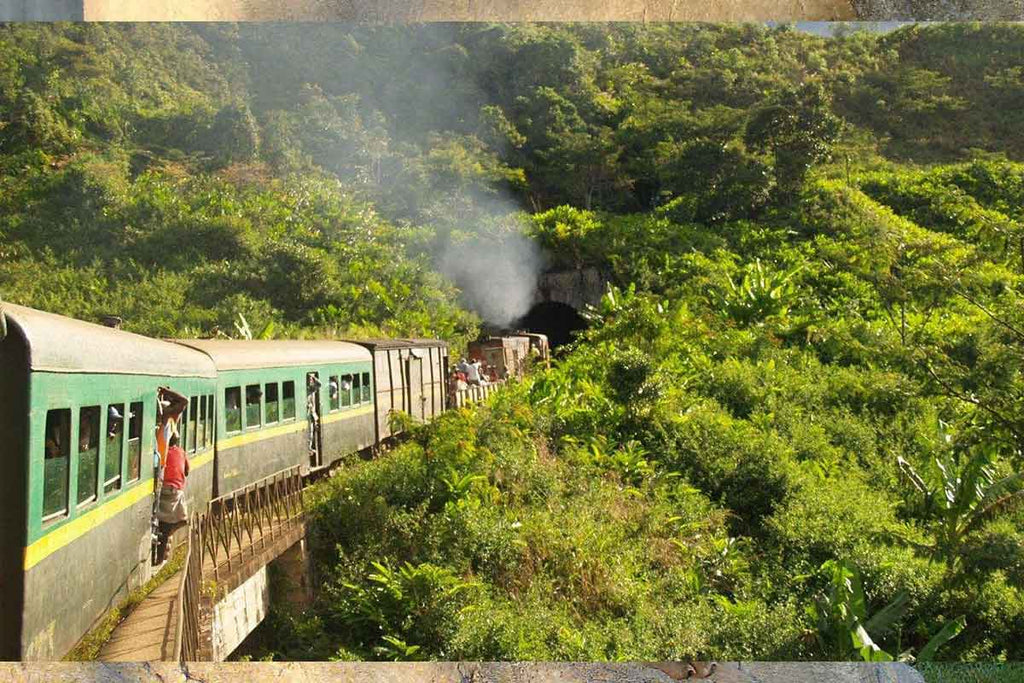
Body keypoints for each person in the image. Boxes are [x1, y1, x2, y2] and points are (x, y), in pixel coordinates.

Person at [154, 432, 190, 564]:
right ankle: (170, 530)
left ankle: (167, 533)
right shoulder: (181, 452)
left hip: (161, 490)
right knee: (183, 518)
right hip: (175, 492)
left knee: (163, 521)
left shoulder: (161, 452)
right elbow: (187, 471)